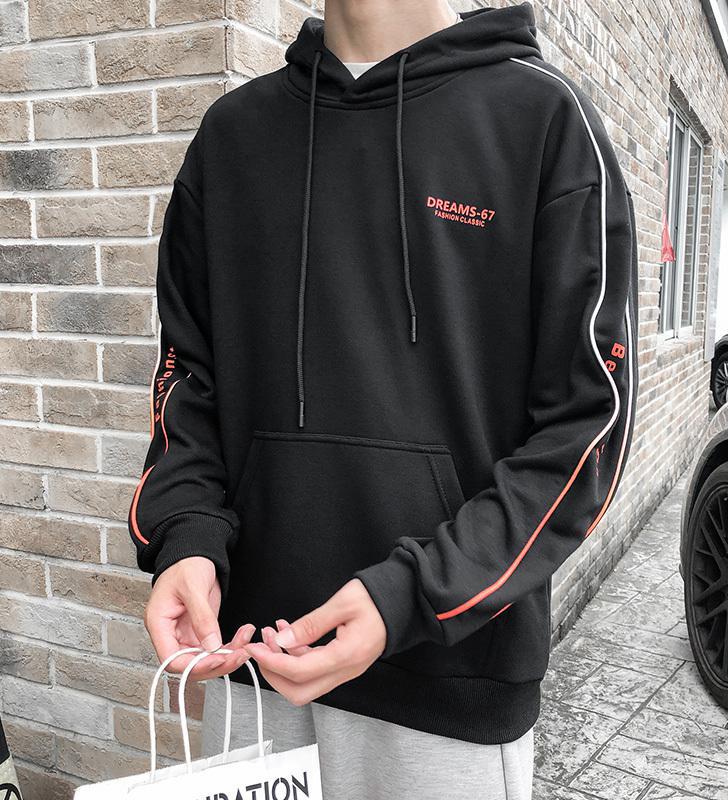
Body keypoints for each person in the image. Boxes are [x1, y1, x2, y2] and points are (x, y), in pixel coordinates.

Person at [128, 1, 639, 797]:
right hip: (253, 669)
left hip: (449, 688)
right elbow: (189, 383)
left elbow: (587, 427)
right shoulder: (232, 138)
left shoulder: (543, 122)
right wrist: (186, 535)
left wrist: (415, 596)